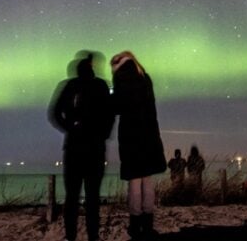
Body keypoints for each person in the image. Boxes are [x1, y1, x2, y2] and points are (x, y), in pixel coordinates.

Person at [49, 52, 115, 241]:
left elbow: (54, 113)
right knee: (90, 197)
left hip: (77, 148)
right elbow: (110, 114)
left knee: (74, 196)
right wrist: (102, 133)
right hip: (91, 148)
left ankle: (74, 236)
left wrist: (70, 128)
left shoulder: (71, 85)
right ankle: (90, 236)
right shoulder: (99, 85)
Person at [111, 51, 166, 240]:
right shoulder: (144, 77)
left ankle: (135, 225)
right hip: (149, 136)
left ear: (117, 64)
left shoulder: (121, 78)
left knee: (134, 183)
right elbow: (152, 107)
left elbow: (118, 106)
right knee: (147, 182)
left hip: (131, 138)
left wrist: (111, 96)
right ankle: (148, 225)